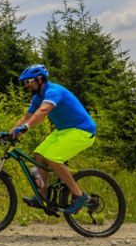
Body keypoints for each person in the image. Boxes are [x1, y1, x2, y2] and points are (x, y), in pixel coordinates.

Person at [9, 64, 96, 214]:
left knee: (52, 157)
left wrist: (26, 127)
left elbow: (43, 111)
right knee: (38, 156)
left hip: (82, 130)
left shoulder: (53, 91)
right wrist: (10, 133)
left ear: (39, 79)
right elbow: (27, 117)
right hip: (63, 130)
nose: (26, 85)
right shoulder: (38, 97)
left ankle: (79, 195)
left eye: (28, 81)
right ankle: (42, 197)